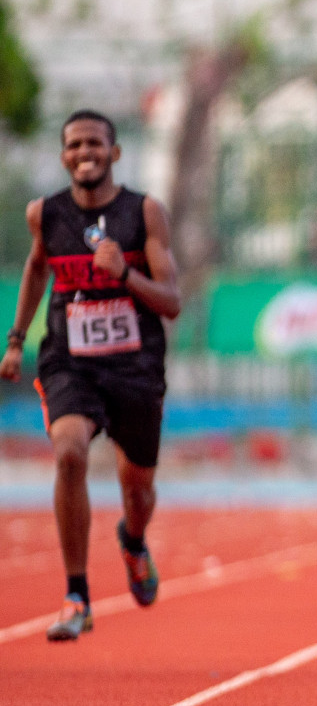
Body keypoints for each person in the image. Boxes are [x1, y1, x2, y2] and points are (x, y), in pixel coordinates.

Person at [0, 109, 182, 641]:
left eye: (96, 144)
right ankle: (77, 594)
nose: (85, 152)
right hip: (70, 363)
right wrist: (16, 340)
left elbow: (172, 302)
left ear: (114, 152)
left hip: (136, 368)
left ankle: (132, 540)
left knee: (138, 490)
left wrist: (123, 273)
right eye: (75, 144)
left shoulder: (145, 213)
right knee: (69, 451)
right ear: (64, 156)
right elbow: (37, 268)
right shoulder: (46, 215)